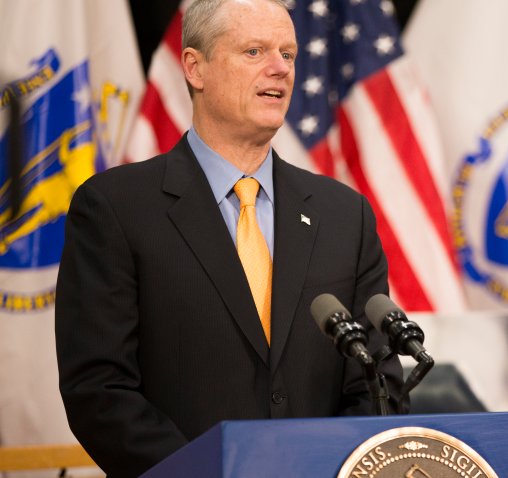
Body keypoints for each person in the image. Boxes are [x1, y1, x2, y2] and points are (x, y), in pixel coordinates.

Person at [55, 0, 404, 476]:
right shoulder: (116, 208)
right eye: (255, 51)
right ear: (195, 68)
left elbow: (376, 383)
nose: (280, 69)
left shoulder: (345, 214)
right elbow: (99, 389)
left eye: (289, 53)